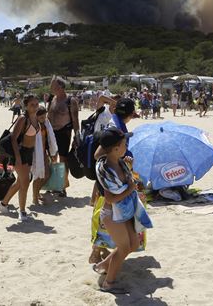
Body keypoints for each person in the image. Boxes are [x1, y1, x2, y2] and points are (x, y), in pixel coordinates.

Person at [91, 127, 152, 294]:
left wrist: (128, 168)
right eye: (124, 144)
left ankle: (102, 266)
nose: (126, 146)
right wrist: (130, 188)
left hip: (123, 211)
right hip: (112, 214)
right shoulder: (107, 169)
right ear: (116, 148)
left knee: (133, 244)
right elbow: (110, 198)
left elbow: (127, 181)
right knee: (124, 248)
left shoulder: (118, 162)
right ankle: (108, 284)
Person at [0, 95, 41, 221]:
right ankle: (22, 211)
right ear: (26, 106)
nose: (35, 106)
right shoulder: (22, 118)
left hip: (29, 152)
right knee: (25, 182)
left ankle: (3, 204)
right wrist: (17, 156)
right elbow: (13, 139)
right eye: (32, 104)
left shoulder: (35, 118)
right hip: (20, 152)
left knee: (20, 182)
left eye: (36, 104)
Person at [48, 78, 79, 197]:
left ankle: (63, 186)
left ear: (60, 86)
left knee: (63, 159)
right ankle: (53, 183)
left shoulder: (71, 100)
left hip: (64, 132)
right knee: (52, 159)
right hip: (51, 133)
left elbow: (75, 120)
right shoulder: (52, 99)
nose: (51, 87)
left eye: (53, 85)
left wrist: (77, 136)